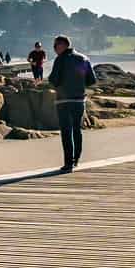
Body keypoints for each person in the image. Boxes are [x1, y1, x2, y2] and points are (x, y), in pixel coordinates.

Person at [47, 35, 96, 172]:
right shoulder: (83, 59)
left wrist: (58, 85)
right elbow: (91, 80)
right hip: (79, 100)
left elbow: (54, 79)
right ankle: (76, 160)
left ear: (63, 45)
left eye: (55, 45)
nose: (54, 48)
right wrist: (79, 84)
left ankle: (68, 163)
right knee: (77, 129)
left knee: (66, 131)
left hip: (63, 100)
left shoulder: (60, 59)